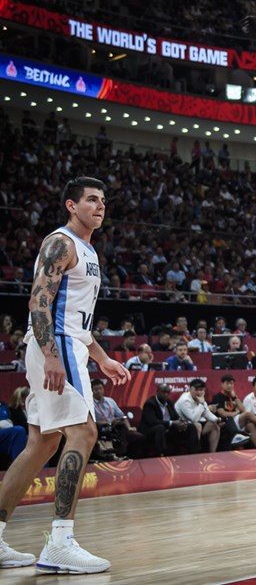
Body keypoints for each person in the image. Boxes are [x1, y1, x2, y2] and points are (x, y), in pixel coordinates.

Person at [0, 177, 130, 574]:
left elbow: (77, 319)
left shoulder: (88, 249)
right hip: (54, 344)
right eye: (91, 199)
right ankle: (60, 542)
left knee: (41, 442)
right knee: (85, 432)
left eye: (103, 200)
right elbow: (40, 301)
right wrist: (52, 354)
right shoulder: (62, 243)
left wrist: (101, 357)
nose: (100, 205)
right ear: (71, 205)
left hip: (65, 343)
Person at [140, 384, 199, 456]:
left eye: (168, 392)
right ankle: (161, 454)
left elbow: (175, 416)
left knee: (190, 426)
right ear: (157, 392)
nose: (166, 394)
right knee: (160, 427)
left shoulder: (170, 402)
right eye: (164, 392)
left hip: (168, 428)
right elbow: (152, 421)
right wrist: (172, 423)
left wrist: (181, 422)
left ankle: (195, 453)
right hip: (151, 429)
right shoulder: (150, 403)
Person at [174, 379, 221, 453]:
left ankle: (212, 454)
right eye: (196, 390)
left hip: (194, 424)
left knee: (214, 425)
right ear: (190, 389)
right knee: (197, 425)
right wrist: (201, 404)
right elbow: (194, 419)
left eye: (201, 390)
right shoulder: (184, 400)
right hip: (181, 427)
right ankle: (196, 454)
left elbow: (206, 413)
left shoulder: (201, 398)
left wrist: (217, 420)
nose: (199, 392)